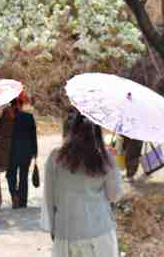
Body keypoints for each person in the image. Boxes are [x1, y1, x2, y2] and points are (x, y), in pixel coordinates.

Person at [43, 108, 123, 257]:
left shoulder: (56, 157)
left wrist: (53, 227)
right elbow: (114, 195)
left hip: (67, 231)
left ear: (72, 130)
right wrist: (113, 163)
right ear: (97, 132)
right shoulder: (104, 158)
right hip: (99, 231)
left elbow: (49, 198)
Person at [0, 94, 38, 208]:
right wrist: (35, 152)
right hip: (26, 151)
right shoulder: (28, 117)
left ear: (11, 105)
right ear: (21, 105)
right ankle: (23, 201)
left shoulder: (5, 117)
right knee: (23, 176)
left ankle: (14, 195)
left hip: (10, 151)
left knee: (11, 174)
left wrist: (0, 120)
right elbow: (33, 135)